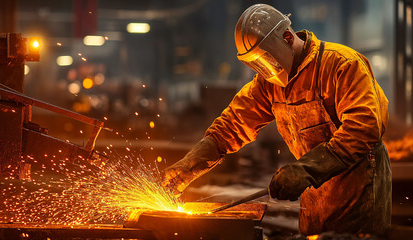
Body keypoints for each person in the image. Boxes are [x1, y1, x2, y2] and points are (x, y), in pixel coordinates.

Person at [162, 3, 391, 236]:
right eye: (257, 64)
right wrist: (188, 167)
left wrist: (305, 170)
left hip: (358, 195)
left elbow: (363, 129)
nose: (266, 70)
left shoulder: (342, 65)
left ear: (288, 37)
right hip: (314, 193)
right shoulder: (269, 84)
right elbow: (232, 125)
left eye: (266, 60)